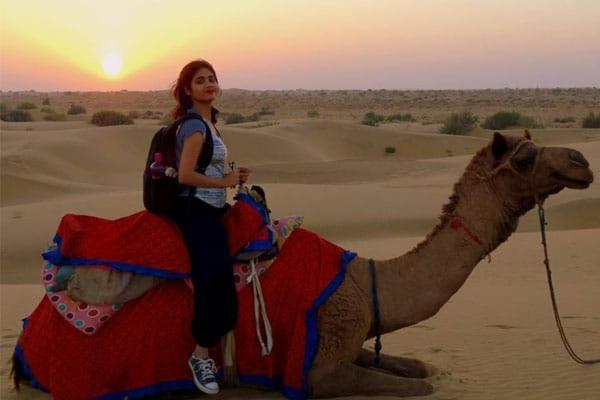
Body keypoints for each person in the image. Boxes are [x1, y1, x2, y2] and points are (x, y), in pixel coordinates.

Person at [168, 59, 250, 395]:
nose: (208, 84)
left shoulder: (209, 123)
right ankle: (200, 355)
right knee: (211, 283)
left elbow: (207, 170)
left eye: (212, 78)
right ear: (188, 90)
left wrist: (233, 179)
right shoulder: (194, 127)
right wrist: (225, 182)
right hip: (197, 212)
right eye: (200, 80)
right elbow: (186, 176)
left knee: (222, 284)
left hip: (212, 210)